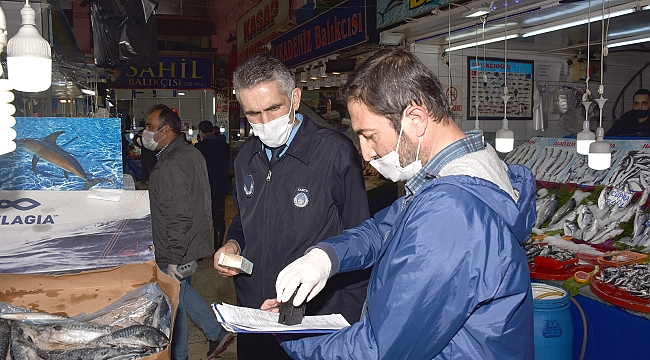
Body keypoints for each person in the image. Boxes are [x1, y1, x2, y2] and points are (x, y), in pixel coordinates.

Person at [270, 49, 537, 359]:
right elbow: (383, 229)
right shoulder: (463, 172)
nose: (365, 152)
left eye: (369, 135)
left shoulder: (451, 210)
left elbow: (380, 349)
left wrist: (289, 334)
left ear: (415, 119)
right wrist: (324, 258)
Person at [213, 53, 371, 360]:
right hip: (255, 314)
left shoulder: (335, 153)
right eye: (253, 114)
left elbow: (361, 236)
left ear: (295, 98)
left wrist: (349, 320)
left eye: (273, 108)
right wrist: (233, 244)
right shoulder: (247, 156)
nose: (265, 122)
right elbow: (245, 220)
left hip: (312, 317)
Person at [144, 104, 233, 360]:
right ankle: (205, 338)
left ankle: (210, 334)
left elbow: (178, 214)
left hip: (177, 247)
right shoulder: (189, 153)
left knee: (177, 299)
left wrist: (173, 257)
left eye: (150, 126)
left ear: (166, 129)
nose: (145, 132)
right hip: (191, 243)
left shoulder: (171, 163)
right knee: (179, 299)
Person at [195, 120, 231, 249]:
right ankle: (217, 248)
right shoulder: (224, 147)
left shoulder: (197, 149)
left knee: (200, 219)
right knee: (219, 218)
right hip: (219, 187)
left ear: (201, 132)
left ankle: (200, 251)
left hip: (201, 189)